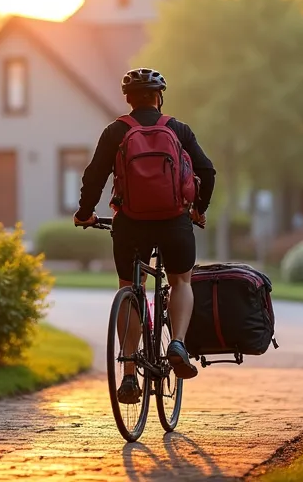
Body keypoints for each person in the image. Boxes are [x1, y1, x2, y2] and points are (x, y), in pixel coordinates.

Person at [74, 68, 216, 405]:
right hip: (174, 222)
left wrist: (85, 213)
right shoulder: (177, 129)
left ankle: (128, 374)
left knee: (129, 287)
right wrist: (198, 209)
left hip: (130, 224)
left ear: (128, 99)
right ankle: (177, 343)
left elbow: (94, 176)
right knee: (181, 281)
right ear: (158, 97)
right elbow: (207, 171)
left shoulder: (116, 131)